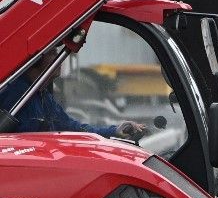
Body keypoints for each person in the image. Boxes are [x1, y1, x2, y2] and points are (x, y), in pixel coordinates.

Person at [0, 50, 147, 139]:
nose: (59, 58)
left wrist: (114, 131)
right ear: (36, 59)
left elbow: (72, 127)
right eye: (53, 53)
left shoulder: (42, 96)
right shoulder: (15, 93)